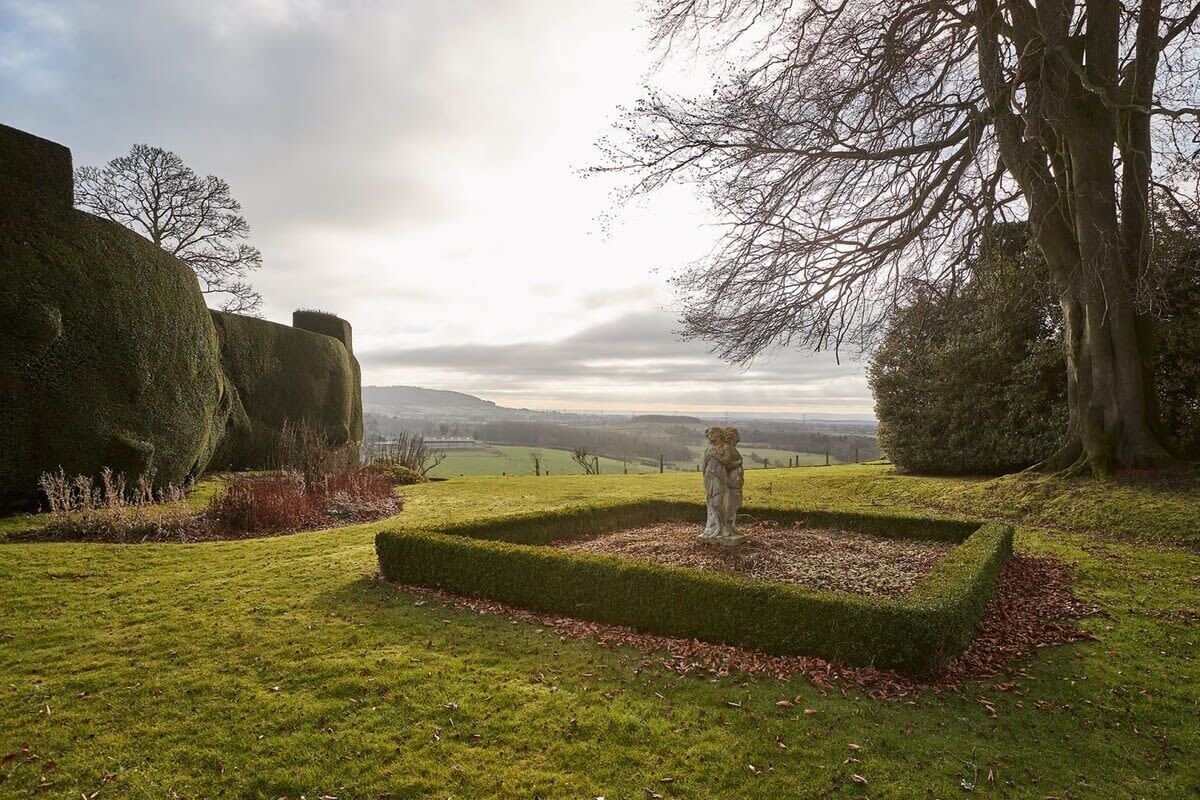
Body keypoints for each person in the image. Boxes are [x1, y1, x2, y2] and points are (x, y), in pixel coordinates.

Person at [700, 426, 728, 540]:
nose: (710, 436)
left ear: (719, 434)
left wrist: (715, 455)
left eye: (713, 433)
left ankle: (724, 526)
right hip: (709, 477)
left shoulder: (724, 448)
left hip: (719, 478)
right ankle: (714, 527)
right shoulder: (708, 449)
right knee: (711, 503)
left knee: (717, 503)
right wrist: (705, 477)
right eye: (709, 434)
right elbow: (704, 465)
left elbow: (727, 461)